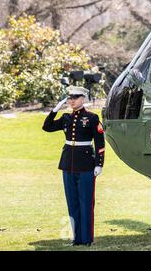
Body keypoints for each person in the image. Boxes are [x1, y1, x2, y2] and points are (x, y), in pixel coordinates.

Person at [42, 86, 105, 246]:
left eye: (75, 98)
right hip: (68, 164)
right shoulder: (66, 118)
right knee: (72, 202)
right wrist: (55, 109)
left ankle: (87, 239)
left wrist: (99, 164)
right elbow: (47, 127)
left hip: (85, 165)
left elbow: (99, 143)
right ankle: (76, 238)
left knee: (86, 203)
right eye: (69, 98)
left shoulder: (92, 118)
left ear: (83, 99)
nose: (71, 101)